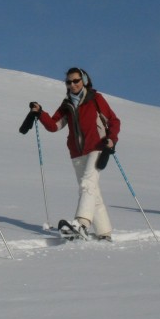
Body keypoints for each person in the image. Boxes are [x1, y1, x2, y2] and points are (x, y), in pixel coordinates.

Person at [30, 67, 119, 240]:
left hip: (97, 147)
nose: (72, 84)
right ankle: (104, 232)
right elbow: (54, 125)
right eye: (69, 82)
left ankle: (81, 223)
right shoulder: (67, 105)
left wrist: (111, 139)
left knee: (87, 184)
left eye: (76, 81)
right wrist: (40, 113)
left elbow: (114, 120)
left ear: (84, 80)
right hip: (76, 153)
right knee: (91, 190)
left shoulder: (95, 99)